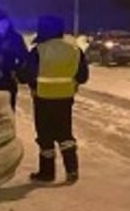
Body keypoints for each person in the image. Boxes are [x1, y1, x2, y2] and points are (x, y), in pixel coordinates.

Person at [20, 15, 89, 184]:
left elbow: (27, 74)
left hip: (42, 98)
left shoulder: (39, 50)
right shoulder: (74, 50)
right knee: (65, 134)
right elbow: (83, 76)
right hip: (65, 99)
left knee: (45, 136)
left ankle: (47, 173)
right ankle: (72, 170)